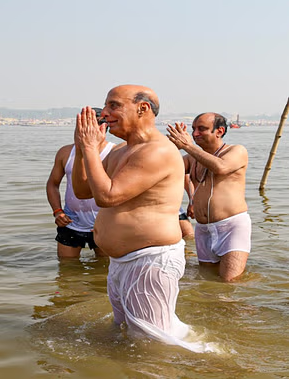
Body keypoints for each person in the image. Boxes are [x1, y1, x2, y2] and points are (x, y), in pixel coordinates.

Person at [72, 85, 203, 352]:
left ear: (142, 108)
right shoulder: (121, 151)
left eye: (114, 106)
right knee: (130, 335)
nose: (105, 113)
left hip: (150, 261)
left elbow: (107, 197)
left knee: (152, 346)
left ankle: (213, 363)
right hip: (122, 262)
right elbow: (84, 190)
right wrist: (82, 147)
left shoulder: (157, 151)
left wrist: (88, 147)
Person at [167, 113, 250, 281]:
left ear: (219, 131)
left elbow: (221, 167)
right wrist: (171, 149)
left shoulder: (236, 151)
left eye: (202, 129)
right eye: (193, 130)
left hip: (231, 226)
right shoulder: (192, 157)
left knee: (229, 282)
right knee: (207, 282)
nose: (195, 134)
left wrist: (187, 146)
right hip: (203, 228)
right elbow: (165, 170)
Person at [46, 108, 118, 259]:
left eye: (89, 125)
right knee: (67, 272)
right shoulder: (65, 152)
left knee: (103, 273)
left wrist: (110, 220)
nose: (84, 131)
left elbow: (121, 192)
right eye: (81, 125)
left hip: (103, 224)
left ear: (103, 127)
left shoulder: (115, 152)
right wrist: (57, 211)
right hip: (71, 222)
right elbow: (52, 184)